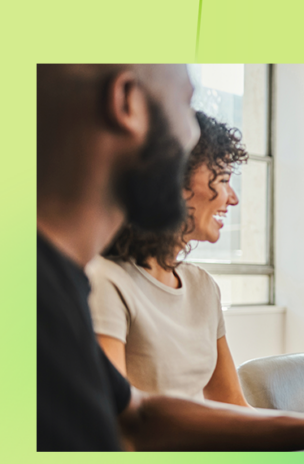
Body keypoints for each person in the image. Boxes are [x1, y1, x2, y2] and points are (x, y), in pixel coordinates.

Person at [37, 64, 304, 451]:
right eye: (186, 107)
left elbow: (137, 413)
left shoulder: (61, 281)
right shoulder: (70, 287)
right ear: (128, 101)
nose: (192, 138)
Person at [86, 112, 249, 406]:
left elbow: (232, 402)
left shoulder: (203, 286)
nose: (233, 198)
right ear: (177, 180)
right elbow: (121, 421)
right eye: (223, 178)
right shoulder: (105, 281)